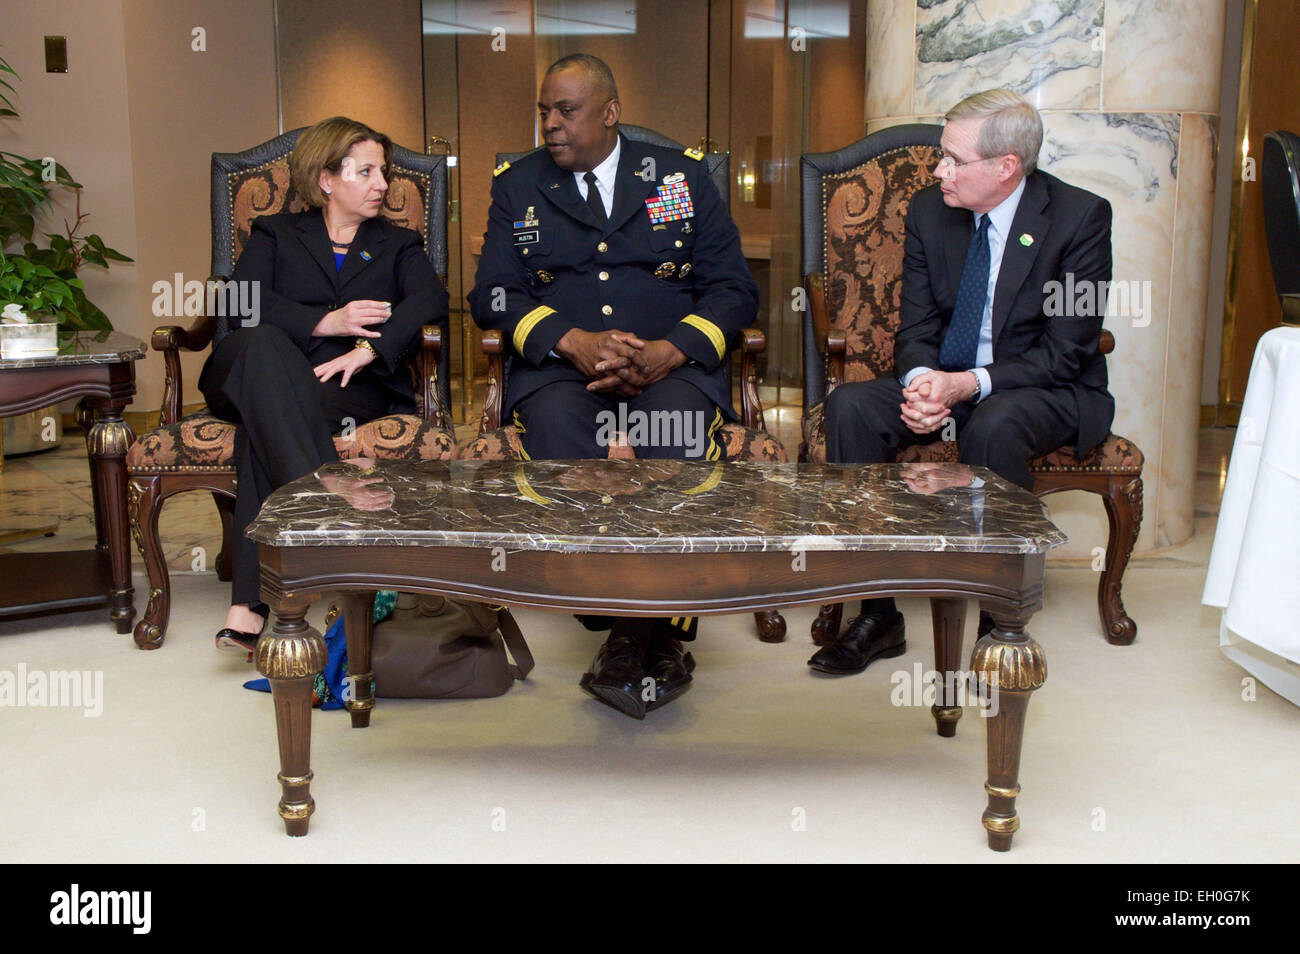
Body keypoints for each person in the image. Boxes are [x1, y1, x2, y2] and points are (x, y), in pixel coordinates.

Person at [468, 53, 759, 719]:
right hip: (563, 370)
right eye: (544, 110)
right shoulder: (519, 185)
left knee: (677, 441)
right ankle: (621, 616)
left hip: (670, 369)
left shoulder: (678, 179)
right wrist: (571, 342)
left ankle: (641, 634)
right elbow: (491, 293)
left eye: (565, 111)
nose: (549, 124)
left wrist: (669, 350)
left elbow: (734, 291)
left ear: (609, 112)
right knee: (563, 441)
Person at [810, 88, 1115, 674]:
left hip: (1043, 390)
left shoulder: (1081, 217)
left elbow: (1068, 350)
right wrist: (925, 382)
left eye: (952, 159)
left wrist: (966, 385)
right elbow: (916, 323)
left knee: (998, 422)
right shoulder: (931, 210)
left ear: (1006, 167)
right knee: (850, 407)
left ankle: (998, 623)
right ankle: (878, 613)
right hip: (951, 379)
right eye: (939, 155)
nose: (936, 169)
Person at [201, 116, 448, 651]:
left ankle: (249, 604)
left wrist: (369, 349)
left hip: (339, 385)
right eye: (367, 171)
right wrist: (324, 322)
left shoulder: (398, 244)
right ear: (327, 179)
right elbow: (239, 303)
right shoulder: (276, 233)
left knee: (260, 426)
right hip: (247, 369)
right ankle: (330, 513)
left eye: (383, 171)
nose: (383, 183)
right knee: (265, 345)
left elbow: (427, 303)